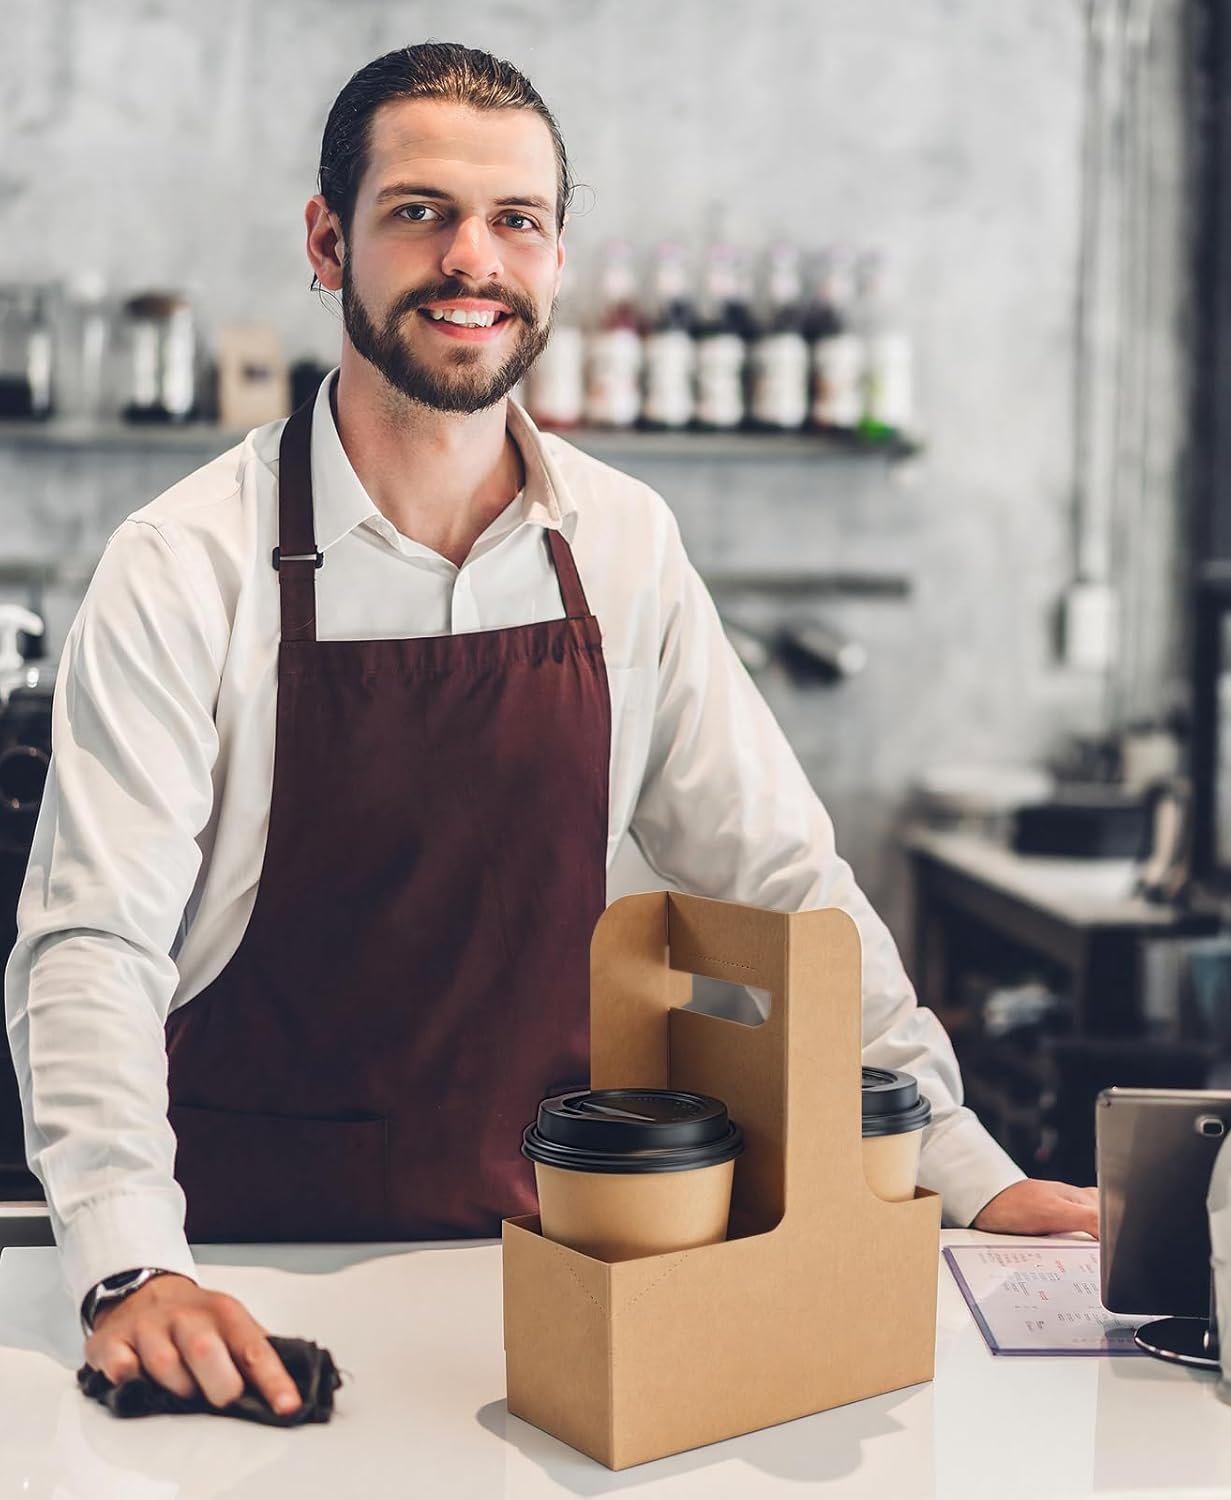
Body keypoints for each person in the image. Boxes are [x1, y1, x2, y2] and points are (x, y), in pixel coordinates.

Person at [4, 43, 1097, 1417]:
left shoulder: (623, 544)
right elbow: (91, 941)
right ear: (327, 240)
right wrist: (127, 1267)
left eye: (515, 220)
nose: (474, 258)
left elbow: (783, 889)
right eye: (420, 213)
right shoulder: (185, 564)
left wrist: (969, 1172)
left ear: (559, 259)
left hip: (558, 1275)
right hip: (244, 1276)